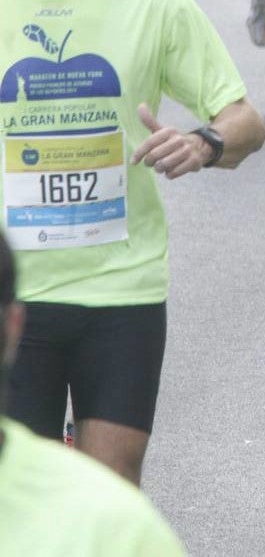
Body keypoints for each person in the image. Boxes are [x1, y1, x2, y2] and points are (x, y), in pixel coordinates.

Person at [0, 0, 265, 484]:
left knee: (111, 489)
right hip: (12, 295)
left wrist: (203, 144)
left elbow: (244, 120)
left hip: (121, 288)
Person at [0, 228, 186, 554]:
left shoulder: (136, 531)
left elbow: (236, 172)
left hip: (123, 282)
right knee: (20, 490)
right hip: (20, 281)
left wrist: (205, 170)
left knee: (114, 490)